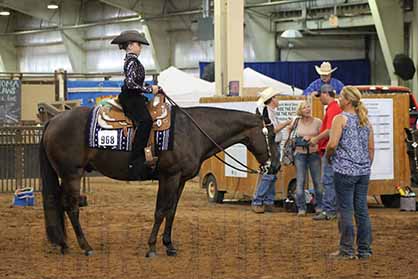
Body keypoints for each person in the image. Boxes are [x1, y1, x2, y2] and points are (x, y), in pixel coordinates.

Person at [326, 86, 374, 260]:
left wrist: (328, 157)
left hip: (345, 170)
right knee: (361, 210)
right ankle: (365, 250)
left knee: (345, 209)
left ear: (347, 100)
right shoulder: (365, 120)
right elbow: (371, 148)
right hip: (363, 171)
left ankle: (347, 250)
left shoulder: (340, 119)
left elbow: (332, 144)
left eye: (340, 96)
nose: (338, 99)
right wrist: (366, 166)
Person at [111, 30, 159, 176]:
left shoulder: (132, 60)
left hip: (134, 96)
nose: (140, 48)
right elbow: (131, 84)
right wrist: (150, 89)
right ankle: (136, 159)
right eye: (138, 45)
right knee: (145, 121)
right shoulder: (132, 61)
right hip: (131, 98)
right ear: (130, 46)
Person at [252, 88, 291, 213]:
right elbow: (272, 130)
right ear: (272, 100)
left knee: (272, 173)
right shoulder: (267, 113)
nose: (277, 99)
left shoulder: (269, 112)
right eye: (276, 97)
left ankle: (267, 201)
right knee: (270, 173)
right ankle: (259, 201)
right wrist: (287, 123)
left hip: (274, 145)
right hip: (271, 145)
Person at [310, 84, 342, 220]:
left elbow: (330, 130)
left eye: (320, 96)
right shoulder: (333, 108)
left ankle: (329, 210)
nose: (319, 99)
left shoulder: (333, 109)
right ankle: (333, 209)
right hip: (330, 149)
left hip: (330, 150)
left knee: (328, 180)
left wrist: (316, 139)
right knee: (331, 180)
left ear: (325, 94)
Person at [292, 101, 323, 216]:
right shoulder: (296, 122)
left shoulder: (318, 122)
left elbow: (323, 137)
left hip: (314, 154)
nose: (307, 109)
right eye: (304, 107)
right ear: (300, 110)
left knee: (317, 182)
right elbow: (291, 134)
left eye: (308, 106)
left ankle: (319, 206)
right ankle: (301, 208)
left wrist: (311, 137)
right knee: (300, 181)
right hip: (300, 154)